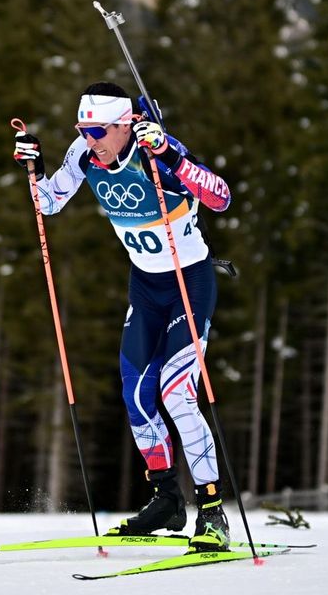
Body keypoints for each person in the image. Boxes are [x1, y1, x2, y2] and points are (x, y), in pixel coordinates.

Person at [13, 81, 234, 550]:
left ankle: (213, 511)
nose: (89, 139)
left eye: (97, 130)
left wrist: (172, 159)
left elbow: (220, 197)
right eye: (83, 129)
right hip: (146, 286)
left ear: (124, 124)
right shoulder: (82, 153)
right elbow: (48, 204)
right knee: (136, 394)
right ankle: (167, 501)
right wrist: (34, 169)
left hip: (189, 284)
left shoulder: (155, 149)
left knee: (177, 394)